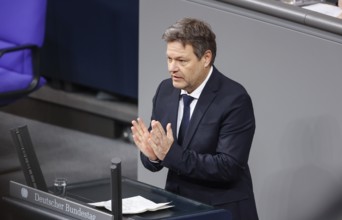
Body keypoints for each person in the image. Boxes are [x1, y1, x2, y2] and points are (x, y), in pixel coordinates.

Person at [131, 17, 258, 220]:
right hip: (177, 206)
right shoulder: (165, 90)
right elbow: (160, 155)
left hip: (219, 210)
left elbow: (228, 167)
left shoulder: (234, 99)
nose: (172, 68)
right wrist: (153, 156)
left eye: (181, 61)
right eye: (169, 59)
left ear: (206, 58)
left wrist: (170, 154)